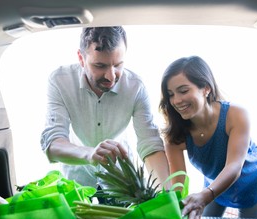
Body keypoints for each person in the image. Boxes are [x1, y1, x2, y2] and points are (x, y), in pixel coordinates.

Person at [40, 26, 170, 191]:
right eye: (100, 66)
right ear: (81, 58)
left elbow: (150, 145)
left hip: (122, 182)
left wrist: (166, 194)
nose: (111, 76)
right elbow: (53, 144)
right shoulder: (60, 81)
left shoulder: (136, 87)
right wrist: (90, 154)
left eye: (118, 65)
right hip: (76, 181)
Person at [159, 56, 257, 219]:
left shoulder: (236, 114)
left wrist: (206, 195)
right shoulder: (175, 135)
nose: (176, 100)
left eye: (183, 90)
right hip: (214, 182)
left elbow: (234, 165)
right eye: (171, 94)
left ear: (206, 88)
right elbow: (178, 182)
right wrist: (177, 210)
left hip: (252, 180)